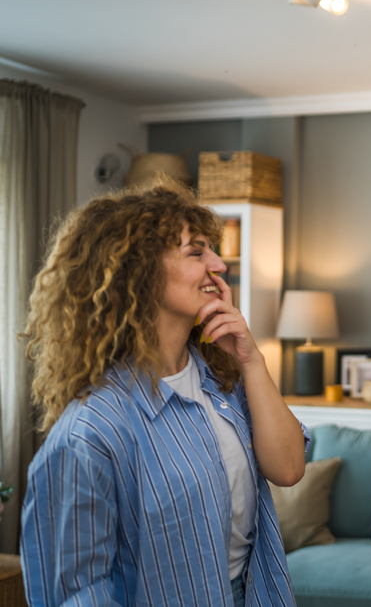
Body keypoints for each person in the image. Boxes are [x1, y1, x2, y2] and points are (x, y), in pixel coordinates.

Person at [19, 183, 308, 606]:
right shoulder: (91, 432)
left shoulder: (222, 379)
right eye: (196, 252)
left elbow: (287, 469)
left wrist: (253, 362)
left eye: (212, 249)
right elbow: (76, 594)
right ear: (139, 273)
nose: (219, 265)